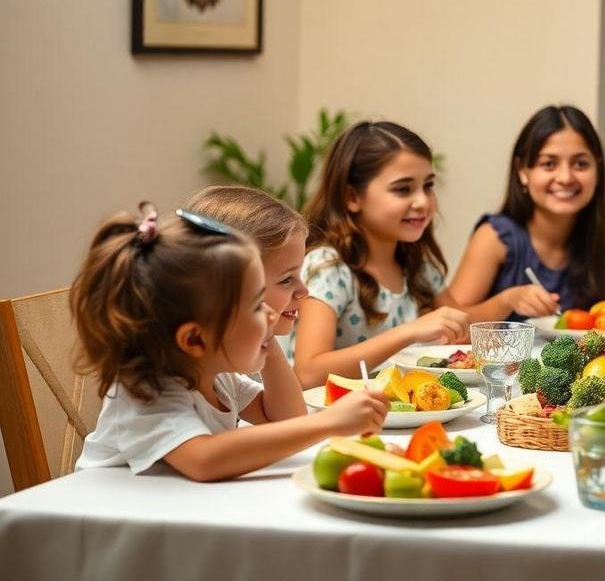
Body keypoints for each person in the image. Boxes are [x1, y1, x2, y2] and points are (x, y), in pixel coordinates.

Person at [74, 204, 389, 481]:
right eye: (256, 304)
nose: (269, 312)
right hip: (97, 532)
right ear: (195, 339)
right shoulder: (144, 391)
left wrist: (262, 330)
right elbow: (205, 460)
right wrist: (330, 422)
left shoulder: (217, 376)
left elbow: (286, 418)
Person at [287, 121, 469, 388]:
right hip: (334, 420)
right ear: (352, 197)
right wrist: (408, 333)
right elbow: (308, 373)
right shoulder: (329, 268)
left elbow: (461, 333)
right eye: (403, 189)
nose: (422, 201)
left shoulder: (417, 264)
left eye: (428, 186)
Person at [448, 104, 605, 321]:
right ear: (522, 171)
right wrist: (507, 301)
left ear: (597, 169)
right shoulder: (494, 237)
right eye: (549, 164)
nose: (565, 177)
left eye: (580, 164)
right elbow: (449, 324)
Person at [183, 185, 309, 388]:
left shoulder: (225, 377)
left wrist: (264, 331)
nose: (304, 291)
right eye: (286, 279)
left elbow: (290, 415)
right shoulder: (186, 377)